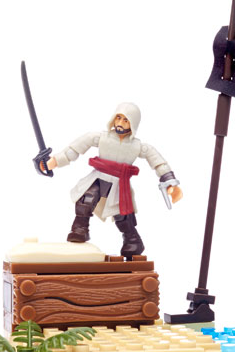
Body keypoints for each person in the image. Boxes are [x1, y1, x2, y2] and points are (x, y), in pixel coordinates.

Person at [41, 103, 182, 258]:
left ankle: (132, 241)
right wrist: (55, 161)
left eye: (126, 120)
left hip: (120, 183)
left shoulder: (138, 146)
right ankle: (79, 230)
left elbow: (158, 162)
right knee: (85, 200)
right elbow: (76, 148)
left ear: (133, 123)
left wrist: (169, 183)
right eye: (118, 118)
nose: (120, 123)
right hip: (99, 177)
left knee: (122, 214)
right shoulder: (101, 138)